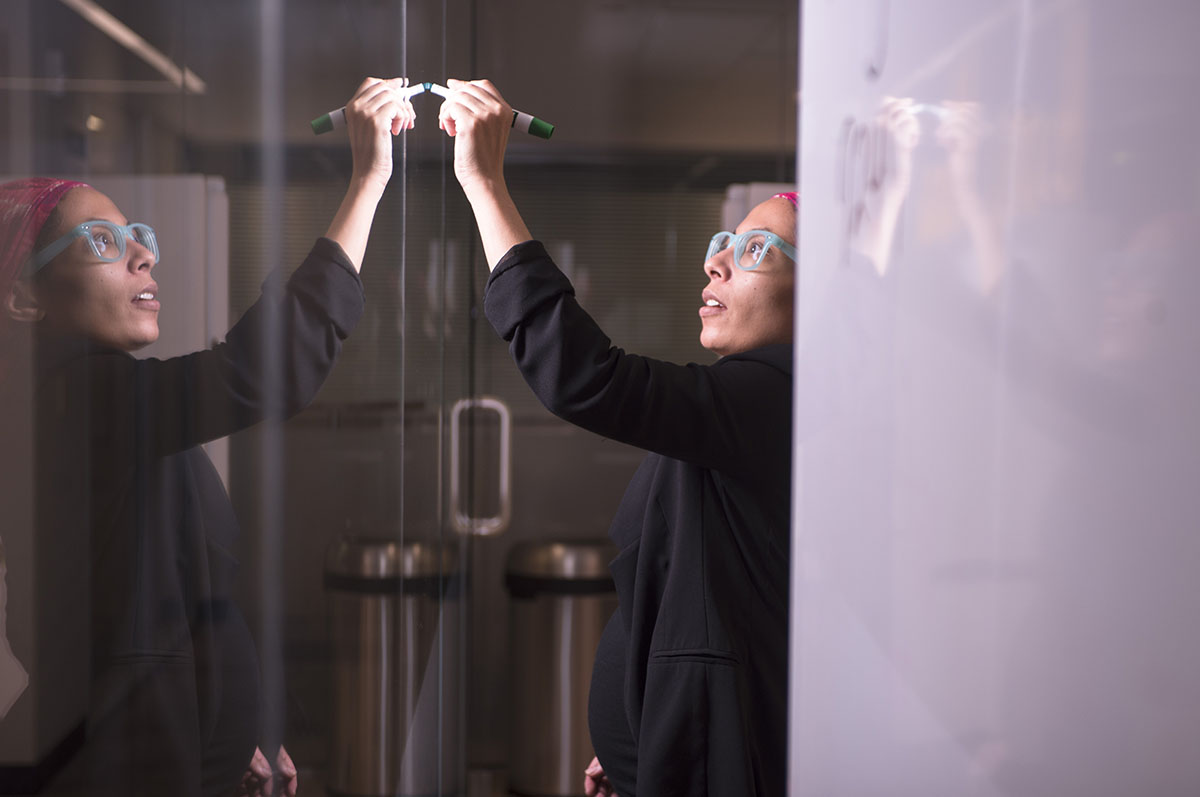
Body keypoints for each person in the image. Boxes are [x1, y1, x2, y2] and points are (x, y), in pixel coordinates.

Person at [0, 77, 415, 797]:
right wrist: (367, 179)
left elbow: (194, 609)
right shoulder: (68, 398)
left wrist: (240, 729)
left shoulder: (116, 403)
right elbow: (257, 371)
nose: (142, 258)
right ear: (23, 298)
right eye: (103, 241)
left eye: (140, 238)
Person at [438, 79, 795, 796]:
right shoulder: (736, 407)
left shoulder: (774, 400)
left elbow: (586, 376)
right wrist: (635, 733)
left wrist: (483, 183)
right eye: (722, 241)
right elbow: (683, 595)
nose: (715, 262)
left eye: (755, 249)